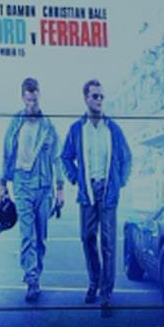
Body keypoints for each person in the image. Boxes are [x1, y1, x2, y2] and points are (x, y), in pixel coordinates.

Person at [61, 79, 133, 313]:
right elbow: (65, 157)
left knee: (108, 244)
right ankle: (94, 282)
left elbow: (126, 157)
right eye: (95, 96)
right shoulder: (77, 129)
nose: (99, 100)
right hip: (88, 193)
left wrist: (120, 182)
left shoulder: (113, 128)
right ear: (86, 98)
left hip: (108, 192)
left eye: (102, 96)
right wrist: (75, 179)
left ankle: (106, 294)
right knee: (87, 238)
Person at [0, 77, 64, 303]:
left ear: (39, 96)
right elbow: (6, 153)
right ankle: (31, 280)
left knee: (41, 238)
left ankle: (37, 273)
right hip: (22, 183)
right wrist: (2, 184)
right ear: (22, 98)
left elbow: (57, 159)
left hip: (44, 186)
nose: (31, 104)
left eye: (34, 100)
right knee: (27, 235)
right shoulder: (15, 122)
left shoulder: (48, 126)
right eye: (28, 100)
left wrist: (60, 188)